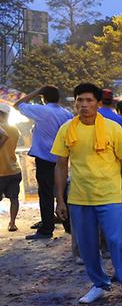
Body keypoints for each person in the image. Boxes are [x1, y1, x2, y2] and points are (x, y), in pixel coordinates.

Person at [51, 83, 122, 306]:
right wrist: (59, 199)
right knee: (87, 246)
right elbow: (61, 166)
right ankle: (99, 284)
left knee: (117, 242)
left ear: (99, 103)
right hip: (79, 198)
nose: (83, 105)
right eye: (80, 100)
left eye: (89, 100)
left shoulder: (112, 128)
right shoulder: (66, 129)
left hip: (109, 196)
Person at [14, 85, 73, 239]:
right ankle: (69, 226)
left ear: (43, 98)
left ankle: (47, 229)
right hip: (61, 159)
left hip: (45, 159)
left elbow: (18, 105)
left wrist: (35, 91)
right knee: (63, 192)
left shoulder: (41, 111)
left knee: (46, 194)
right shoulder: (66, 114)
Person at [0, 104, 22, 231]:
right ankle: (12, 223)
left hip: (1, 171)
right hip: (13, 169)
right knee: (14, 198)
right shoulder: (14, 129)